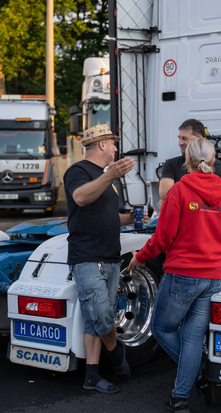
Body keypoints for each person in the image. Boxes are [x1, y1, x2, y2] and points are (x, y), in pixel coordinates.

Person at [129, 138, 221, 413]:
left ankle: (196, 377)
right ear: (213, 161)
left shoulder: (179, 190)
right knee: (192, 338)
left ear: (186, 162)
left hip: (185, 273)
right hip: (215, 275)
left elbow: (162, 238)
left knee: (162, 328)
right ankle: (180, 397)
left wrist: (139, 257)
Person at [64, 124, 135, 394]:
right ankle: (117, 355)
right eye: (113, 144)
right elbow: (81, 198)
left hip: (110, 256)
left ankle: (91, 376)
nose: (116, 149)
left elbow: (109, 215)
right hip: (88, 256)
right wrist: (110, 176)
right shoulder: (78, 171)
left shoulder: (106, 178)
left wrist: (130, 218)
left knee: (94, 320)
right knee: (101, 315)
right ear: (102, 145)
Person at [159, 119, 221, 205]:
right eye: (179, 138)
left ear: (199, 139)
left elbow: (214, 196)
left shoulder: (216, 165)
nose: (180, 143)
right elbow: (164, 194)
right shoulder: (171, 164)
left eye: (184, 139)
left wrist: (177, 195)